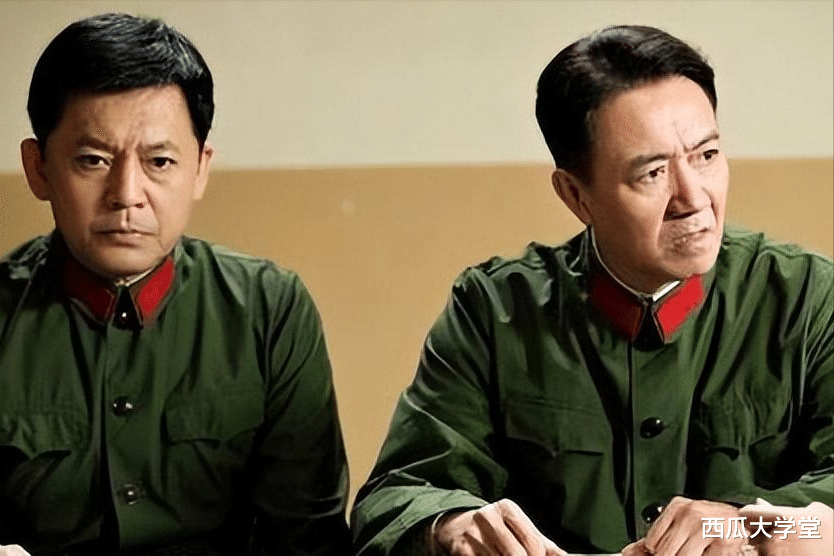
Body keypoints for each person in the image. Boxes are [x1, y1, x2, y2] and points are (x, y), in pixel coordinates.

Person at [351, 25, 832, 556]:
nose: (694, 199)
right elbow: (391, 501)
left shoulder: (807, 297)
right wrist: (452, 529)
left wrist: (740, 527)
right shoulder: (493, 311)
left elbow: (823, 523)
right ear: (575, 195)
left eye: (707, 155)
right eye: (653, 173)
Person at [0, 13, 351, 555]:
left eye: (159, 161)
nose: (127, 194)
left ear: (200, 169)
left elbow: (309, 539)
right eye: (92, 160)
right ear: (39, 167)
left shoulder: (270, 310)